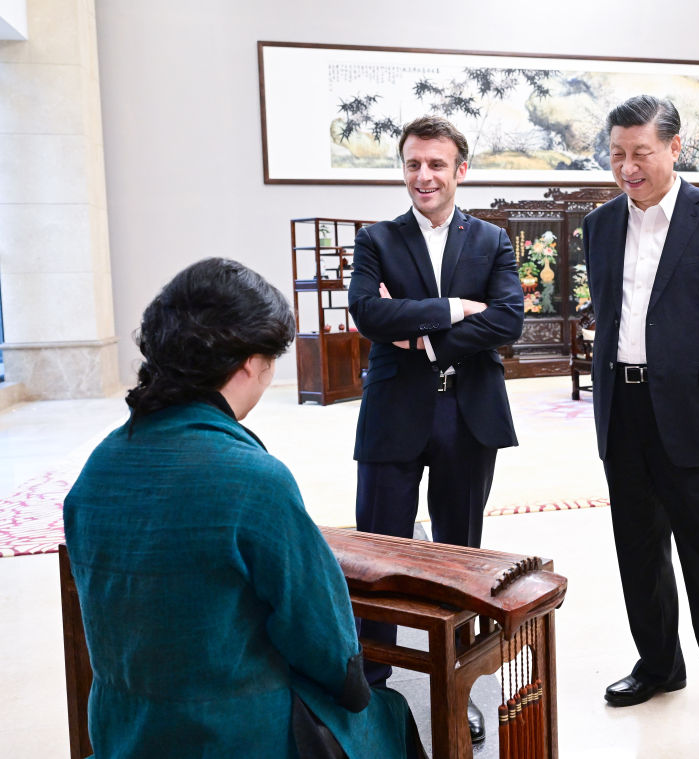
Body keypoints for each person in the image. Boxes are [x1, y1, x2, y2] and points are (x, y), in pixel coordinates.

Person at [64, 258, 422, 759]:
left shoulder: (98, 467)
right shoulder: (253, 479)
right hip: (234, 736)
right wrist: (355, 688)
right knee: (388, 711)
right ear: (251, 363)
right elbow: (327, 647)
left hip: (125, 732)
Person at [582, 95, 699, 748]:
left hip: (695, 413)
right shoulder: (600, 225)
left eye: (641, 153)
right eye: (617, 154)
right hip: (623, 409)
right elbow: (609, 311)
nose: (628, 167)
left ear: (674, 147)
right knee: (638, 551)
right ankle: (659, 664)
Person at [347, 115, 524, 744]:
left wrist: (423, 338)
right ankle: (370, 686)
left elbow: (508, 319)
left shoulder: (492, 240)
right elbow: (367, 312)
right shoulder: (376, 239)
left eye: (437, 164)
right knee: (378, 553)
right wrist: (452, 310)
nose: (424, 176)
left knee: (458, 555)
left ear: (460, 170)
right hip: (393, 411)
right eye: (413, 164)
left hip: (467, 414)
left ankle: (458, 685)